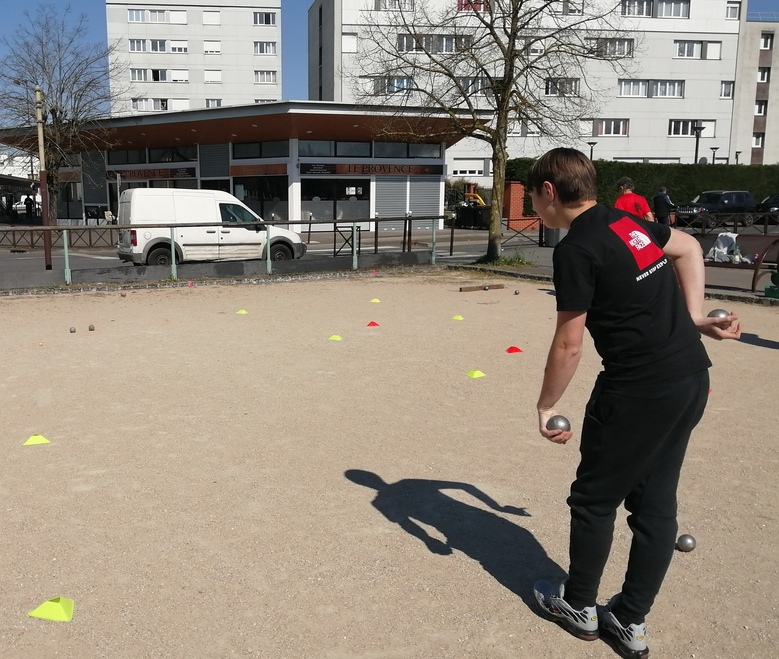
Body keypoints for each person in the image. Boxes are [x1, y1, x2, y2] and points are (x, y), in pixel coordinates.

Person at [526, 148, 741, 659]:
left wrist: (545, 404)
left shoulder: (575, 249)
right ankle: (629, 618)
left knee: (594, 500)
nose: (535, 204)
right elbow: (688, 247)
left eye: (534, 194)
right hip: (690, 379)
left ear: (549, 192)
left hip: (638, 389)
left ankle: (579, 606)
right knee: (654, 501)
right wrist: (692, 320)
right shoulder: (626, 221)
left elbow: (569, 344)